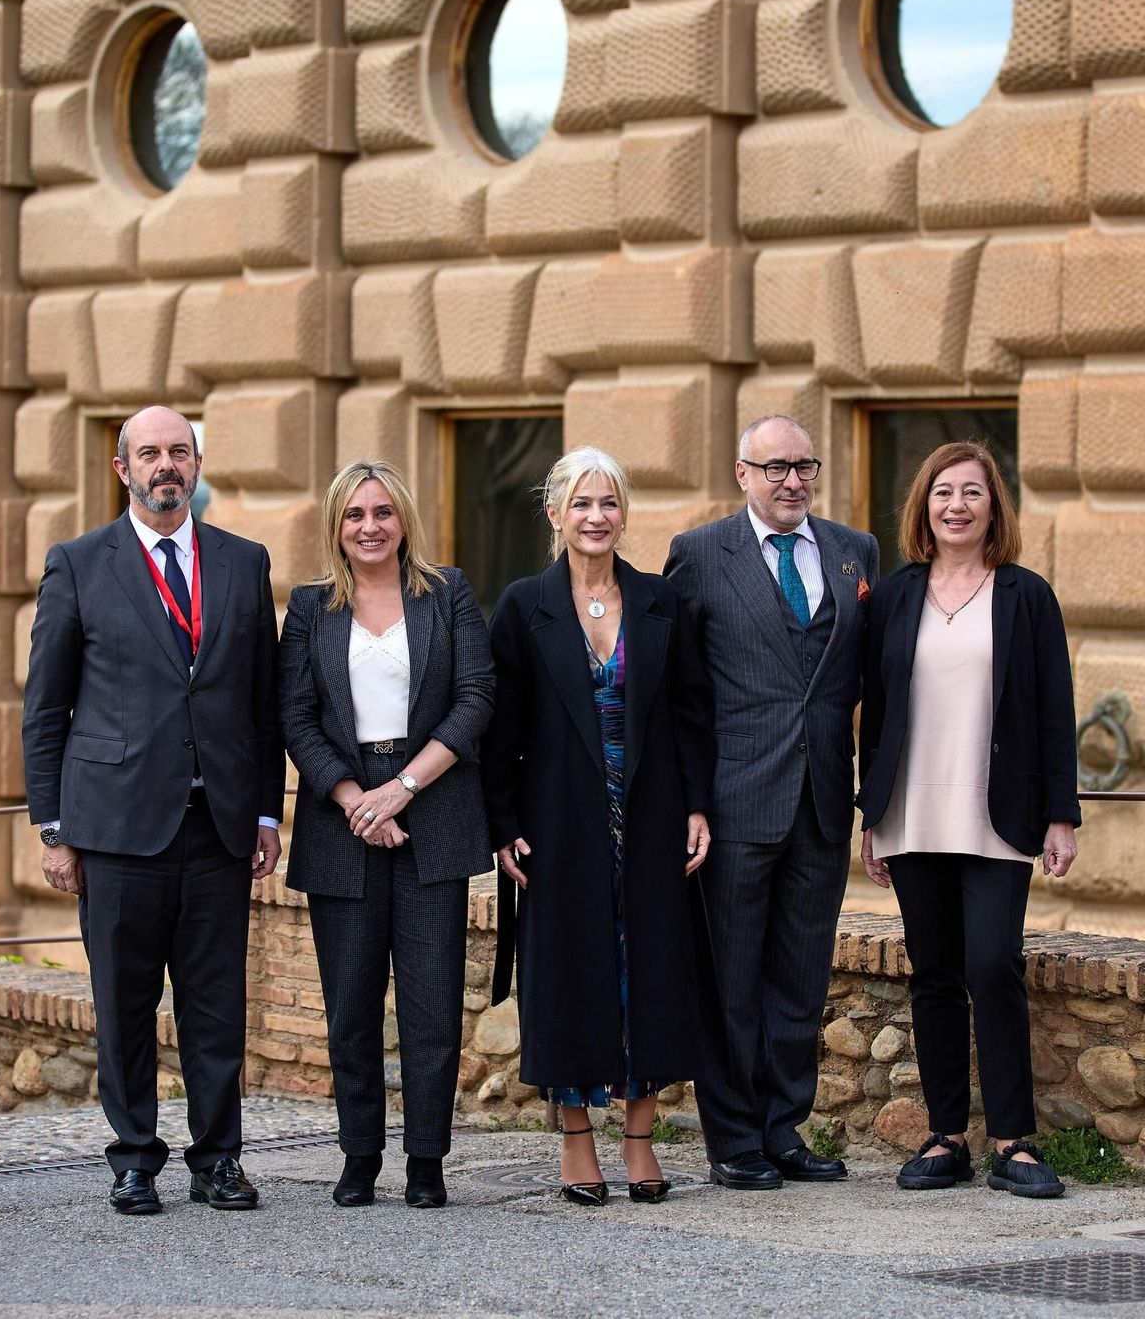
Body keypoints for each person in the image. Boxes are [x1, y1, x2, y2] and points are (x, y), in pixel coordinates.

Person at [22, 406, 284, 1216]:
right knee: (124, 1006)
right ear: (122, 468)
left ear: (196, 463)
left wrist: (268, 815)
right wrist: (53, 826)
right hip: (115, 829)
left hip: (217, 829)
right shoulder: (78, 563)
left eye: (178, 451)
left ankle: (219, 1159)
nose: (165, 465)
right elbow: (46, 707)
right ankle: (134, 1157)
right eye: (149, 453)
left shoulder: (243, 563)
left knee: (217, 1007)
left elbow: (263, 704)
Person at [484, 448, 714, 1206]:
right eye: (580, 503)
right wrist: (505, 822)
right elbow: (501, 730)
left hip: (648, 816)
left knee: (647, 972)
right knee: (570, 975)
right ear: (555, 513)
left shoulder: (658, 602)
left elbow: (689, 713)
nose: (595, 517)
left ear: (624, 513)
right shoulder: (524, 605)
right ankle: (578, 1141)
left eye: (608, 503)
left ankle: (641, 1140)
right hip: (558, 821)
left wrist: (696, 805)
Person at [857, 439, 1080, 1199]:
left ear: (994, 508)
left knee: (993, 963)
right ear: (924, 505)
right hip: (912, 810)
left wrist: (1062, 814)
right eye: (943, 491)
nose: (956, 505)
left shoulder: (1025, 595)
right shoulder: (894, 596)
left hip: (998, 812)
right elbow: (875, 715)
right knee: (935, 974)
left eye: (972, 493)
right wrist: (870, 815)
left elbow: (1056, 711)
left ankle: (1015, 1140)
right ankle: (945, 1136)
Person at [662, 415, 878, 1191]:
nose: (793, 480)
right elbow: (679, 692)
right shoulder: (698, 554)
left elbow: (869, 686)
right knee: (731, 977)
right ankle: (732, 1136)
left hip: (821, 800)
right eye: (777, 466)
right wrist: (686, 800)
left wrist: (873, 802)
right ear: (742, 472)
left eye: (805, 465)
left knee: (800, 976)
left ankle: (785, 1127)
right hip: (733, 802)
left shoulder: (855, 552)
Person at [278, 459, 494, 1210]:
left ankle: (426, 1160)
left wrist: (400, 789)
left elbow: (475, 699)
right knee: (350, 1005)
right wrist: (352, 798)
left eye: (382, 512)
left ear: (403, 519)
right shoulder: (309, 607)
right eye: (354, 515)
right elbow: (295, 715)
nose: (369, 526)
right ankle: (359, 1155)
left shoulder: (449, 593)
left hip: (431, 806)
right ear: (337, 526)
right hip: (343, 821)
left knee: (433, 1004)